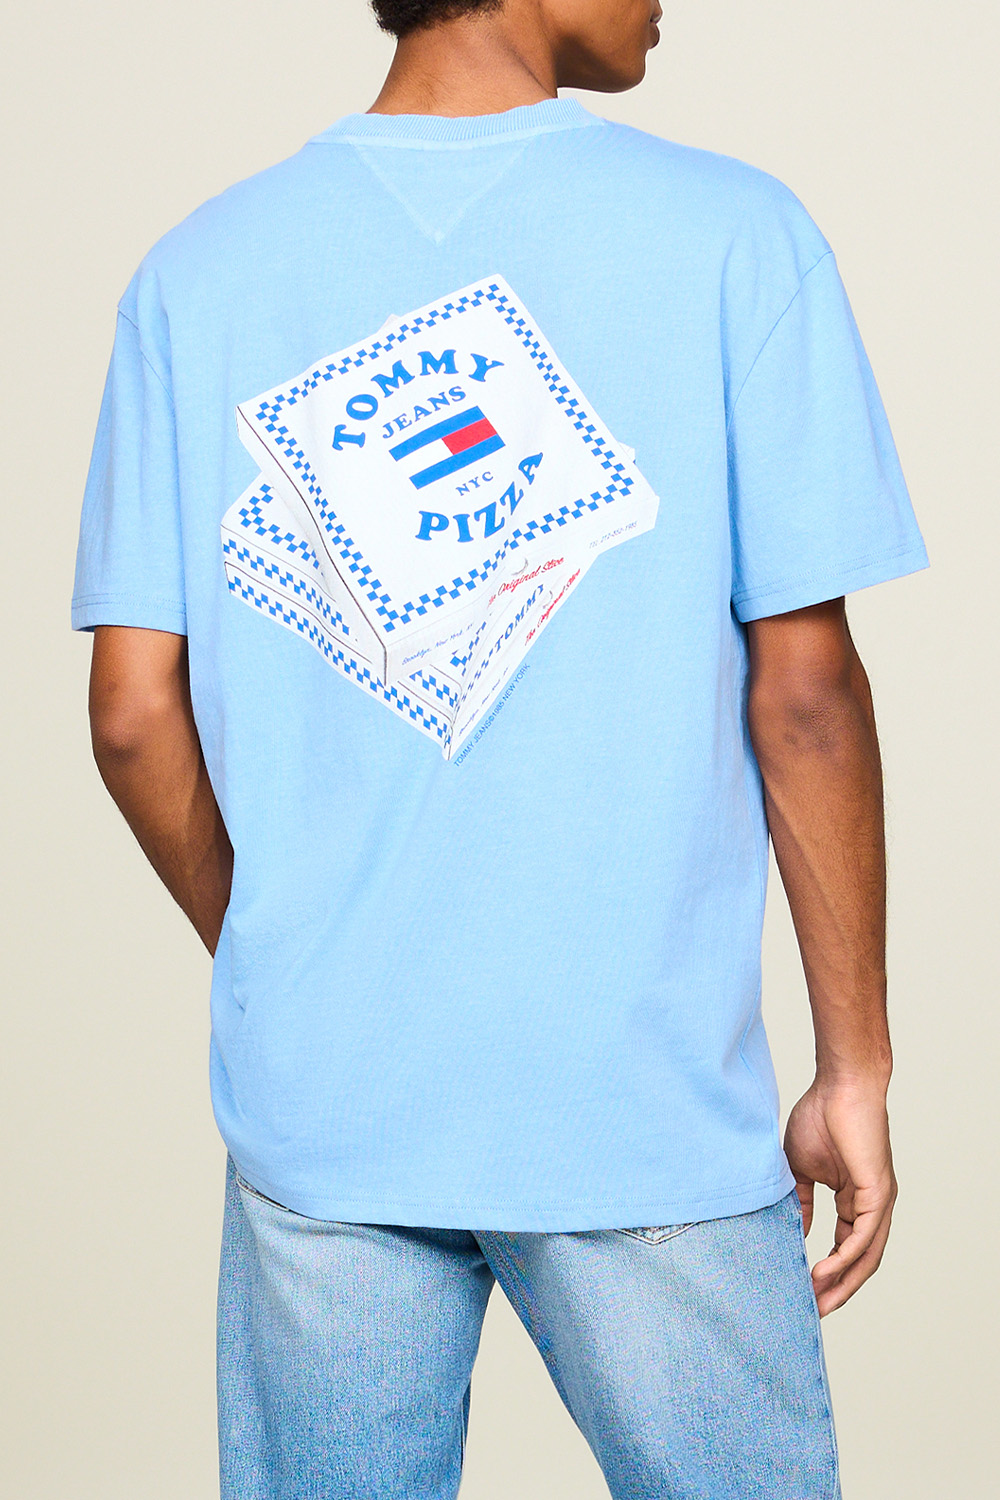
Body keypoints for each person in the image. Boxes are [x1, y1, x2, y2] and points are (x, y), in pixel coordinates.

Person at [72, 1, 928, 1495]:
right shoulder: (736, 237)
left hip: (327, 1110)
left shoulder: (195, 274)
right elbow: (806, 698)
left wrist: (295, 959)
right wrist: (853, 1065)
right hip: (641, 1099)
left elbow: (134, 712)